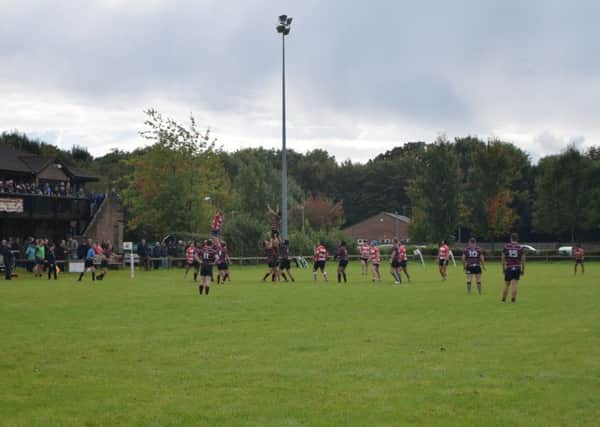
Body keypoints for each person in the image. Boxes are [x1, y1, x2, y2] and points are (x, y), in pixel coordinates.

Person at [501, 233, 525, 303]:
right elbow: (523, 260)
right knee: (514, 284)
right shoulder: (520, 248)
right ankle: (513, 300)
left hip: (509, 267)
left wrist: (503, 268)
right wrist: (523, 269)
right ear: (517, 239)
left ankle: (503, 300)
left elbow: (503, 259)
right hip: (517, 267)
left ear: (511, 238)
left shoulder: (506, 247)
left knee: (506, 284)